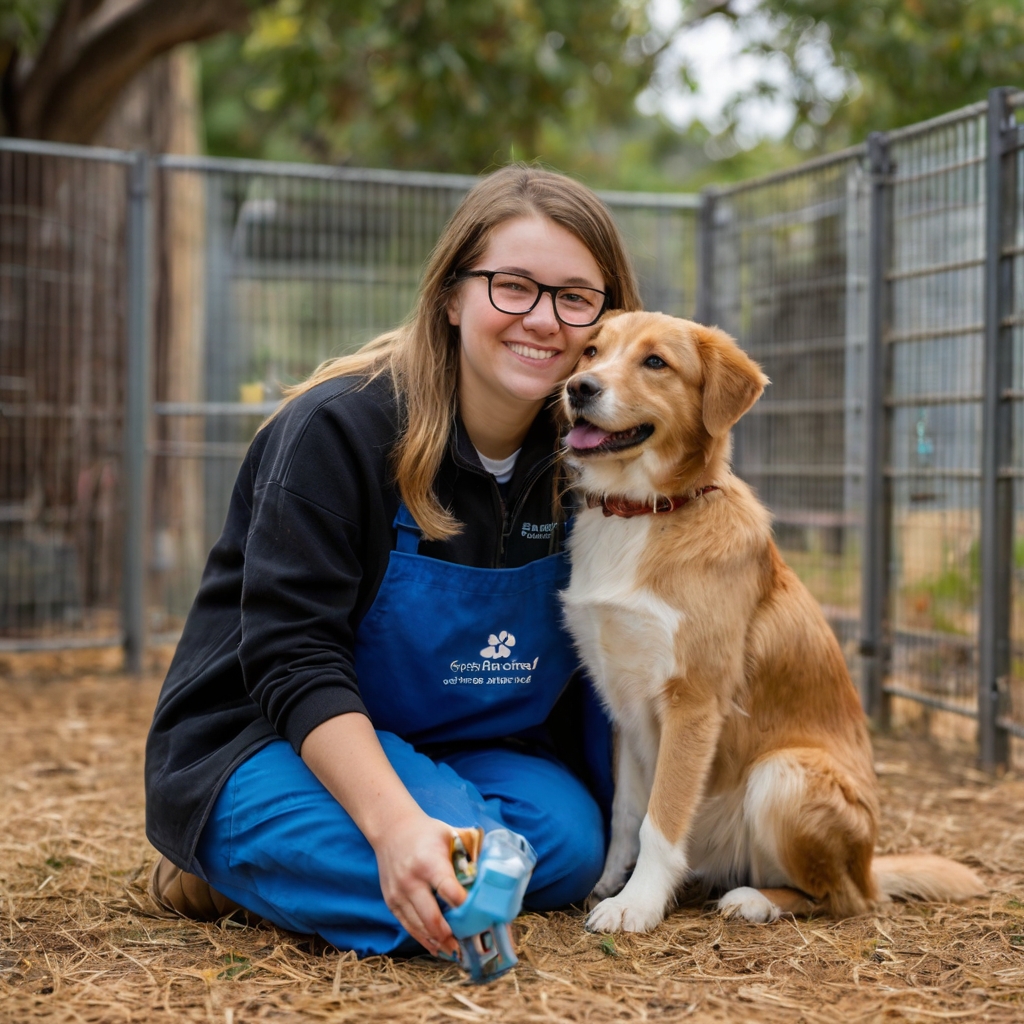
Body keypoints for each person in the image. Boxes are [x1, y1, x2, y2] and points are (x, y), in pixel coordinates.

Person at [145, 164, 643, 959]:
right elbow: (290, 655)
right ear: (452, 295)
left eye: (575, 297)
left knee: (575, 843)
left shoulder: (597, 458)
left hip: (469, 745)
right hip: (273, 737)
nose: (543, 320)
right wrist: (399, 820)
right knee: (462, 867)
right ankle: (222, 850)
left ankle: (325, 855)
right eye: (512, 286)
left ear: (609, 320)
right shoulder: (337, 431)